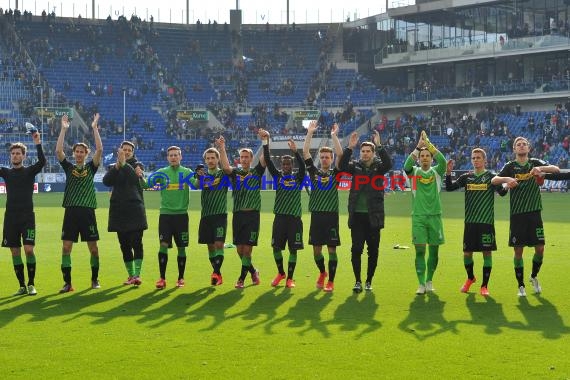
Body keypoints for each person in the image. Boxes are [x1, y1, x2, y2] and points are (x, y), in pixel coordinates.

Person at [491, 136, 560, 296]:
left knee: (540, 249)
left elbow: (555, 169)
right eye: (518, 145)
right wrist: (507, 180)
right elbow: (494, 180)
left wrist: (541, 170)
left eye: (524, 144)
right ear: (514, 149)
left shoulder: (534, 163)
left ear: (528, 148)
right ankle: (520, 285)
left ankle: (533, 276)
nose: (521, 146)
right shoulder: (510, 166)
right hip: (517, 214)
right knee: (518, 252)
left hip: (534, 212)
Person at [445, 148, 507, 296]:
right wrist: (448, 173)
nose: (476, 160)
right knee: (467, 253)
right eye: (473, 158)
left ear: (484, 160)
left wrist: (507, 183)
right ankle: (470, 278)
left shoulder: (492, 177)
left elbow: (502, 193)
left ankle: (484, 286)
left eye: (478, 157)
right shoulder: (467, 177)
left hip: (486, 222)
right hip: (470, 222)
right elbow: (449, 188)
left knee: (487, 253)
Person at [338, 130, 392, 293]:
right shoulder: (355, 166)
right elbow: (341, 166)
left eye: (368, 151)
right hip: (357, 217)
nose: (365, 153)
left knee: (373, 251)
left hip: (374, 216)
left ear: (373, 153)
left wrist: (380, 145)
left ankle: (369, 281)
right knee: (356, 249)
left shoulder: (379, 168)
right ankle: (357, 281)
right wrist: (349, 147)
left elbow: (388, 164)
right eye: (363, 151)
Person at [55, 113, 103, 293]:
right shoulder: (69, 168)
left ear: (86, 154)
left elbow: (99, 150)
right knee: (66, 247)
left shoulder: (92, 167)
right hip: (71, 212)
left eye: (82, 151)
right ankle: (67, 283)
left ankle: (94, 279)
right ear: (74, 153)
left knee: (94, 249)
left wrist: (94, 129)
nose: (79, 154)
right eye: (77, 151)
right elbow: (59, 152)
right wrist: (63, 129)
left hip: (88, 212)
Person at [0, 127, 46, 295]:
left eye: (18, 153)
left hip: (27, 217)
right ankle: (21, 285)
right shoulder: (5, 172)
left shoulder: (29, 171)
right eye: (13, 154)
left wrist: (37, 142)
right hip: (10, 218)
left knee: (28, 249)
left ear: (24, 155)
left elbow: (42, 162)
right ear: (10, 156)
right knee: (14, 251)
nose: (15, 156)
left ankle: (31, 284)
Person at [218, 132, 266, 288]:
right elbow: (225, 167)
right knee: (239, 250)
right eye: (242, 157)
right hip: (238, 215)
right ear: (240, 159)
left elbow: (265, 159)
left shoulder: (257, 172)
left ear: (252, 159)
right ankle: (253, 271)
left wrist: (266, 141)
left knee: (247, 251)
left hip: (252, 215)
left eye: (247, 157)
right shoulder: (236, 173)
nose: (244, 159)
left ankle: (241, 279)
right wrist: (222, 148)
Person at [403, 131, 446, 295]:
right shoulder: (413, 173)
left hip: (435, 216)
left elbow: (442, 160)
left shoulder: (437, 172)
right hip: (418, 217)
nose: (425, 157)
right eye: (423, 156)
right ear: (419, 158)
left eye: (428, 155)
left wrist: (428, 144)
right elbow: (406, 165)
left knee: (434, 251)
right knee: (420, 250)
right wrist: (418, 147)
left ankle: (429, 280)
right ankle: (421, 284)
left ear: (431, 158)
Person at [262, 130, 306, 288]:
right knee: (276, 248)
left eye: (289, 164)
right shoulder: (277, 176)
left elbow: (304, 167)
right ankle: (281, 273)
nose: (286, 166)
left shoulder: (298, 178)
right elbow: (267, 160)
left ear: (292, 165)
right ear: (281, 165)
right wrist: (266, 142)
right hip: (279, 218)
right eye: (284, 164)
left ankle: (290, 278)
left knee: (293, 250)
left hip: (294, 219)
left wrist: (296, 152)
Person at [302, 121, 343, 292]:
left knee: (332, 250)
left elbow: (341, 154)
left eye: (328, 157)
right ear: (320, 158)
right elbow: (305, 152)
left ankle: (331, 281)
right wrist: (310, 132)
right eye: (323, 157)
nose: (325, 159)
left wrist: (334, 136)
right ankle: (322, 272)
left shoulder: (336, 174)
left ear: (331, 159)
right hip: (317, 216)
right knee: (317, 252)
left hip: (331, 216)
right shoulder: (314, 172)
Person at [102, 141, 148, 286]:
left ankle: (137, 275)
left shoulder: (138, 166)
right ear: (119, 151)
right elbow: (106, 181)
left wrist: (124, 164)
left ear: (133, 153)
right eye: (124, 149)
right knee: (124, 245)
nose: (127, 152)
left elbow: (135, 180)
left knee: (136, 243)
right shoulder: (112, 167)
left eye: (129, 150)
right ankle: (131, 275)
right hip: (118, 211)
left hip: (135, 209)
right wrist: (117, 166)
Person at [153, 146, 193, 290]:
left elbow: (196, 184)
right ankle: (162, 278)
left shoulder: (187, 172)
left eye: (176, 155)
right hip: (165, 215)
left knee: (181, 247)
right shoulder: (162, 173)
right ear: (167, 157)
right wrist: (139, 175)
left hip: (181, 216)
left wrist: (201, 175)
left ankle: (180, 278)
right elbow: (147, 184)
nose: (173, 157)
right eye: (171, 155)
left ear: (180, 157)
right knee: (163, 245)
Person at [195, 145, 228, 286]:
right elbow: (196, 186)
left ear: (218, 159)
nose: (210, 160)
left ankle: (215, 273)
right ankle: (218, 274)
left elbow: (227, 168)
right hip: (206, 216)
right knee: (210, 247)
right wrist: (199, 177)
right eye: (208, 158)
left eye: (213, 158)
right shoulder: (203, 175)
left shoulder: (223, 174)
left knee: (219, 244)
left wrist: (221, 149)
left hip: (220, 215)